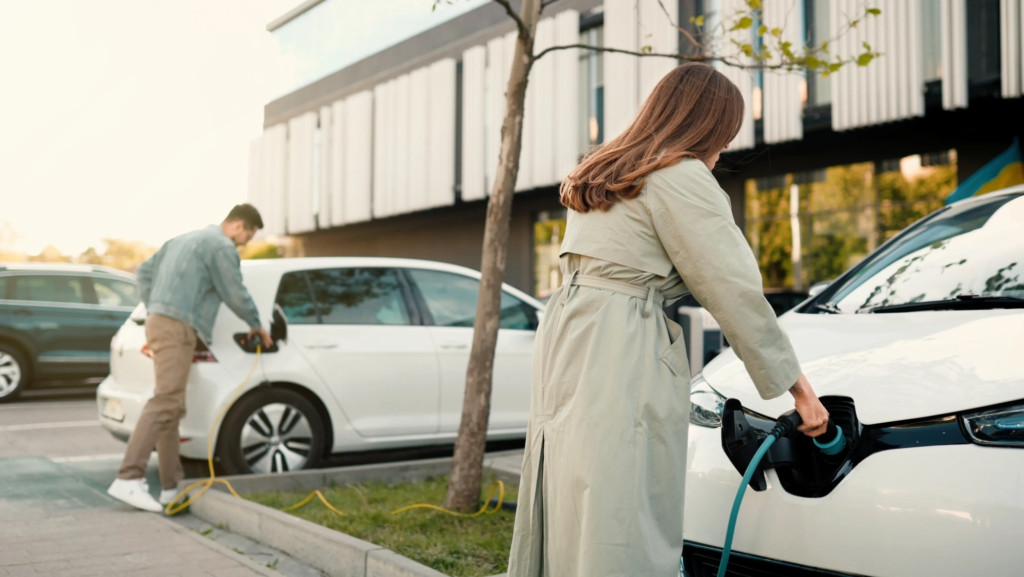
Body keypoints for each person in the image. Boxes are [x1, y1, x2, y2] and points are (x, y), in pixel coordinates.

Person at [507, 63, 831, 576]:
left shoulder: (605, 172)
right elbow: (735, 293)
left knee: (572, 483)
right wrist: (801, 393)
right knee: (623, 491)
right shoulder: (679, 177)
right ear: (707, 126)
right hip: (619, 337)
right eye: (725, 135)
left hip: (568, 331)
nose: (723, 148)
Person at [107, 204, 273, 512]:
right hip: (178, 326)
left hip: (163, 321)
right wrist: (256, 325)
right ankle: (129, 478)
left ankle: (172, 486)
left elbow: (144, 272)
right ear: (238, 225)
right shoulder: (221, 246)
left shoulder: (181, 239)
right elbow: (234, 291)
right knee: (166, 401)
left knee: (173, 405)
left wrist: (156, 308)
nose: (245, 242)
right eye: (248, 235)